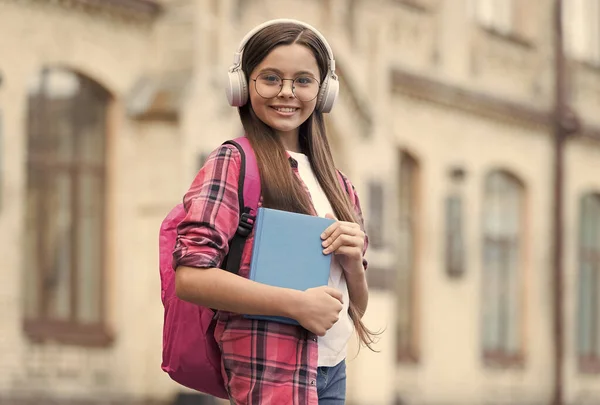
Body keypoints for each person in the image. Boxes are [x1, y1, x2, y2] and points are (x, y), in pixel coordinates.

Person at [173, 19, 376, 405]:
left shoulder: (339, 185)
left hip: (331, 372)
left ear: (324, 91)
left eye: (302, 80)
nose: (287, 92)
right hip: (270, 371)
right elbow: (191, 278)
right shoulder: (233, 162)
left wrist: (352, 265)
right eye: (270, 78)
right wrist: (295, 305)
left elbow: (354, 306)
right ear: (243, 86)